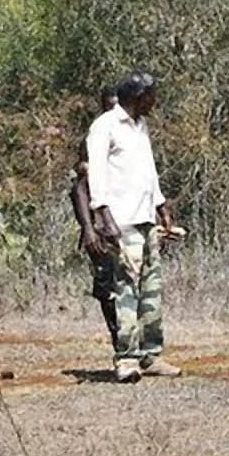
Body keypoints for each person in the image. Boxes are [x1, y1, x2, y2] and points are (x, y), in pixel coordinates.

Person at [84, 70, 182, 383]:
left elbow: (147, 171)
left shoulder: (141, 126)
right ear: (137, 97)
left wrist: (161, 205)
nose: (155, 102)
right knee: (126, 289)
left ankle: (151, 354)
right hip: (121, 221)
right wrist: (105, 219)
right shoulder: (104, 127)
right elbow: (96, 174)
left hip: (146, 219)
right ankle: (126, 359)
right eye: (151, 96)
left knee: (152, 290)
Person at [70, 86, 120, 348]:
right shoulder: (94, 139)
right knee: (107, 288)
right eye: (108, 107)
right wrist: (88, 229)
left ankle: (138, 346)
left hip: (128, 225)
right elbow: (80, 188)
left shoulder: (131, 137)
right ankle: (120, 344)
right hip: (101, 229)